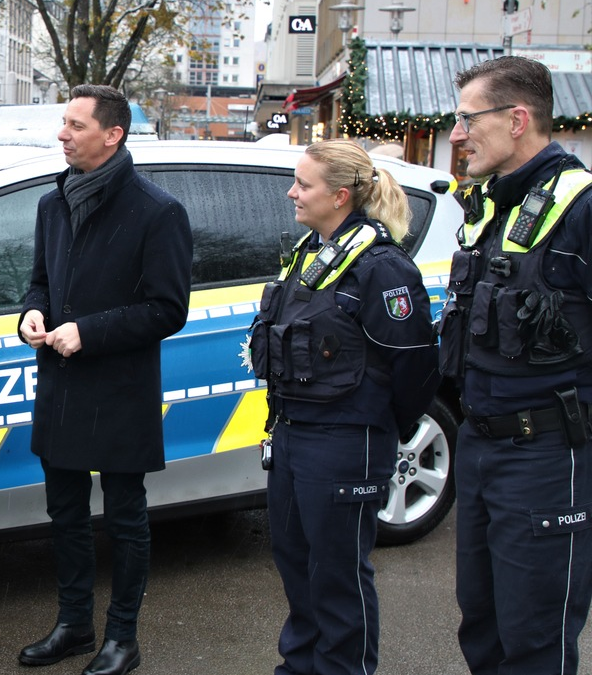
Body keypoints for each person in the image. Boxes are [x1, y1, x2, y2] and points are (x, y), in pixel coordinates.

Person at [17, 84, 193, 675]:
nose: (62, 134)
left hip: (119, 388)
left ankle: (123, 638)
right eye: (63, 123)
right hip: (62, 384)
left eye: (75, 125)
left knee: (125, 515)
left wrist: (87, 331)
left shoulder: (157, 211)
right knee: (63, 513)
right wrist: (32, 314)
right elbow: (39, 280)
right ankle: (73, 624)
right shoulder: (53, 203)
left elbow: (168, 308)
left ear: (112, 135)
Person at [250, 138, 439, 675]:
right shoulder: (311, 252)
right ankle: (301, 665)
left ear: (338, 196)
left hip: (345, 440)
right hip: (292, 434)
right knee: (295, 563)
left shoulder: (382, 267)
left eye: (303, 184)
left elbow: (415, 367)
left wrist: (379, 428)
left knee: (337, 575)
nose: (292, 192)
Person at [441, 55, 592, 675]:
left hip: (547, 456)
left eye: (466, 119)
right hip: (481, 448)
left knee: (534, 636)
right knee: (483, 624)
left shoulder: (582, 208)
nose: (455, 134)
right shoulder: (492, 208)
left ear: (518, 119)